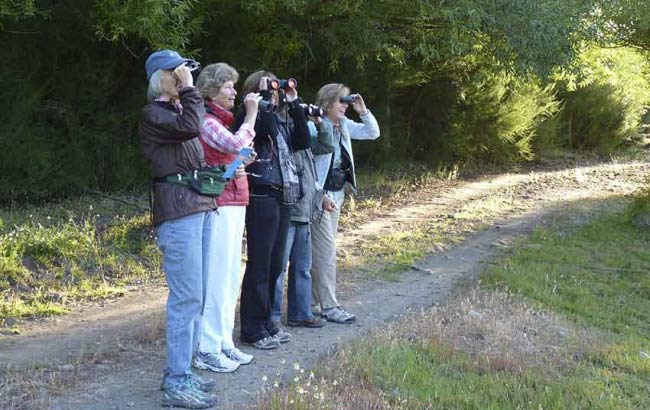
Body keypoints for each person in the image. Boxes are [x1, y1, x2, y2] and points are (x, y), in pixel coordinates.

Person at [139, 49, 217, 409]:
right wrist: (190, 90)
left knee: (197, 296)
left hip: (197, 207)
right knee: (186, 297)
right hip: (178, 211)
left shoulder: (176, 112)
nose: (187, 77)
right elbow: (193, 127)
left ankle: (184, 371)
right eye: (180, 72)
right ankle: (175, 381)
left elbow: (193, 135)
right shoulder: (154, 114)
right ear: (163, 78)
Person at [193, 63, 260, 373]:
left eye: (234, 85)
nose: (235, 91)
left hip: (236, 199)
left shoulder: (223, 121)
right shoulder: (206, 121)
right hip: (218, 202)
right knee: (217, 275)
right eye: (228, 86)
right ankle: (206, 346)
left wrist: (241, 155)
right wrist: (251, 115)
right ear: (212, 90)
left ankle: (223, 340)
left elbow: (237, 148)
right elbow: (235, 143)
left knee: (232, 273)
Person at [236, 70, 311, 349]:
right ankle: (252, 329)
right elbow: (263, 129)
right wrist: (263, 99)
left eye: (276, 87)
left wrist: (293, 103)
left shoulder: (281, 118)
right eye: (269, 88)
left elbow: (303, 141)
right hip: (262, 193)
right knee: (260, 263)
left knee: (276, 264)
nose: (275, 92)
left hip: (284, 194)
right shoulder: (248, 116)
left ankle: (267, 321)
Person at [311, 83, 380, 323]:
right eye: (341, 101)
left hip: (337, 195)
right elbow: (307, 168)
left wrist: (363, 111)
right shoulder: (315, 126)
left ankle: (310, 304)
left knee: (320, 253)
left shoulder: (344, 126)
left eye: (346, 101)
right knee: (326, 253)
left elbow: (373, 133)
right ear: (327, 103)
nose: (345, 106)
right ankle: (329, 306)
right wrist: (319, 195)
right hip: (320, 197)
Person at [270, 116, 335, 328]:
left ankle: (301, 312)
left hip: (305, 213)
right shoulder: (283, 138)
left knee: (302, 267)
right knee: (278, 268)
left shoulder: (304, 143)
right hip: (288, 210)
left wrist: (319, 122)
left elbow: (326, 145)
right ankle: (273, 316)